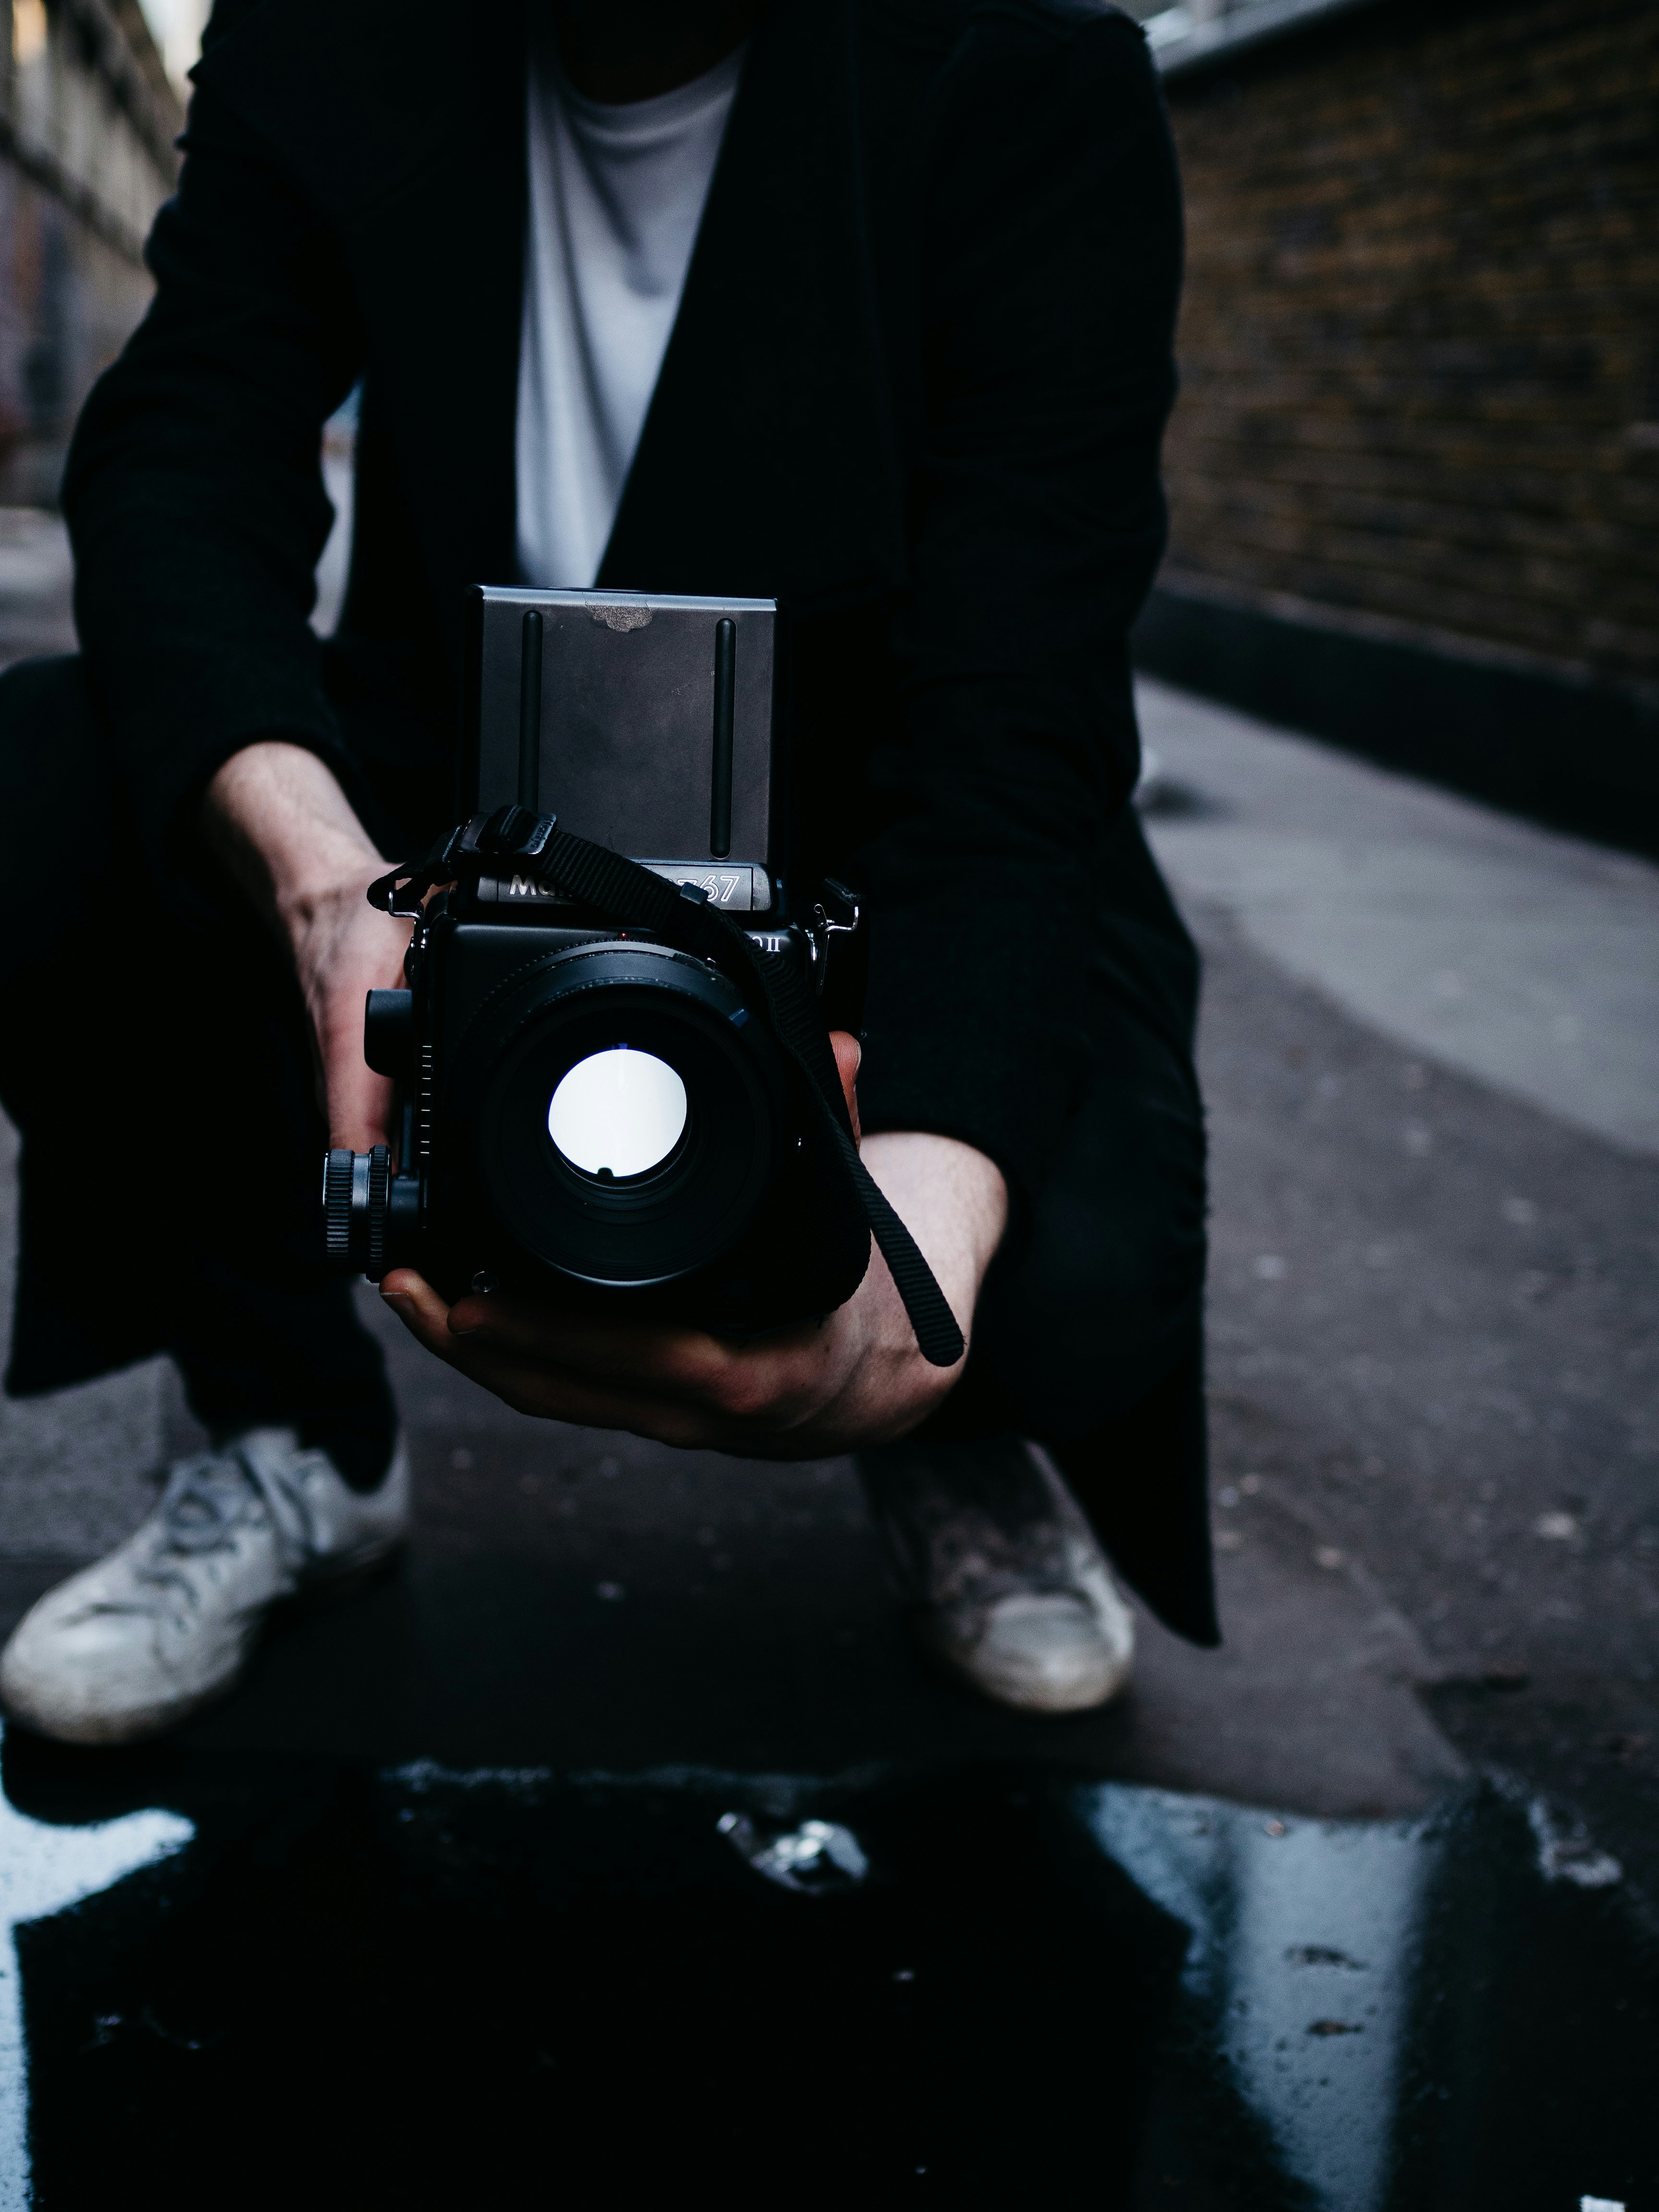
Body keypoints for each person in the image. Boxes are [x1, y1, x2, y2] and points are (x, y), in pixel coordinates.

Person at [0, 0, 1213, 1747]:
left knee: (1069, 1185)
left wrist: (912, 1299)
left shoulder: (1024, 71)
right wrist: (326, 880)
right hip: (458, 796)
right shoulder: (324, 36)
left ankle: (957, 1433)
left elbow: (1016, 718)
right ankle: (297, 1441)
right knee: (54, 783)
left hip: (851, 812)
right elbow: (189, 447)